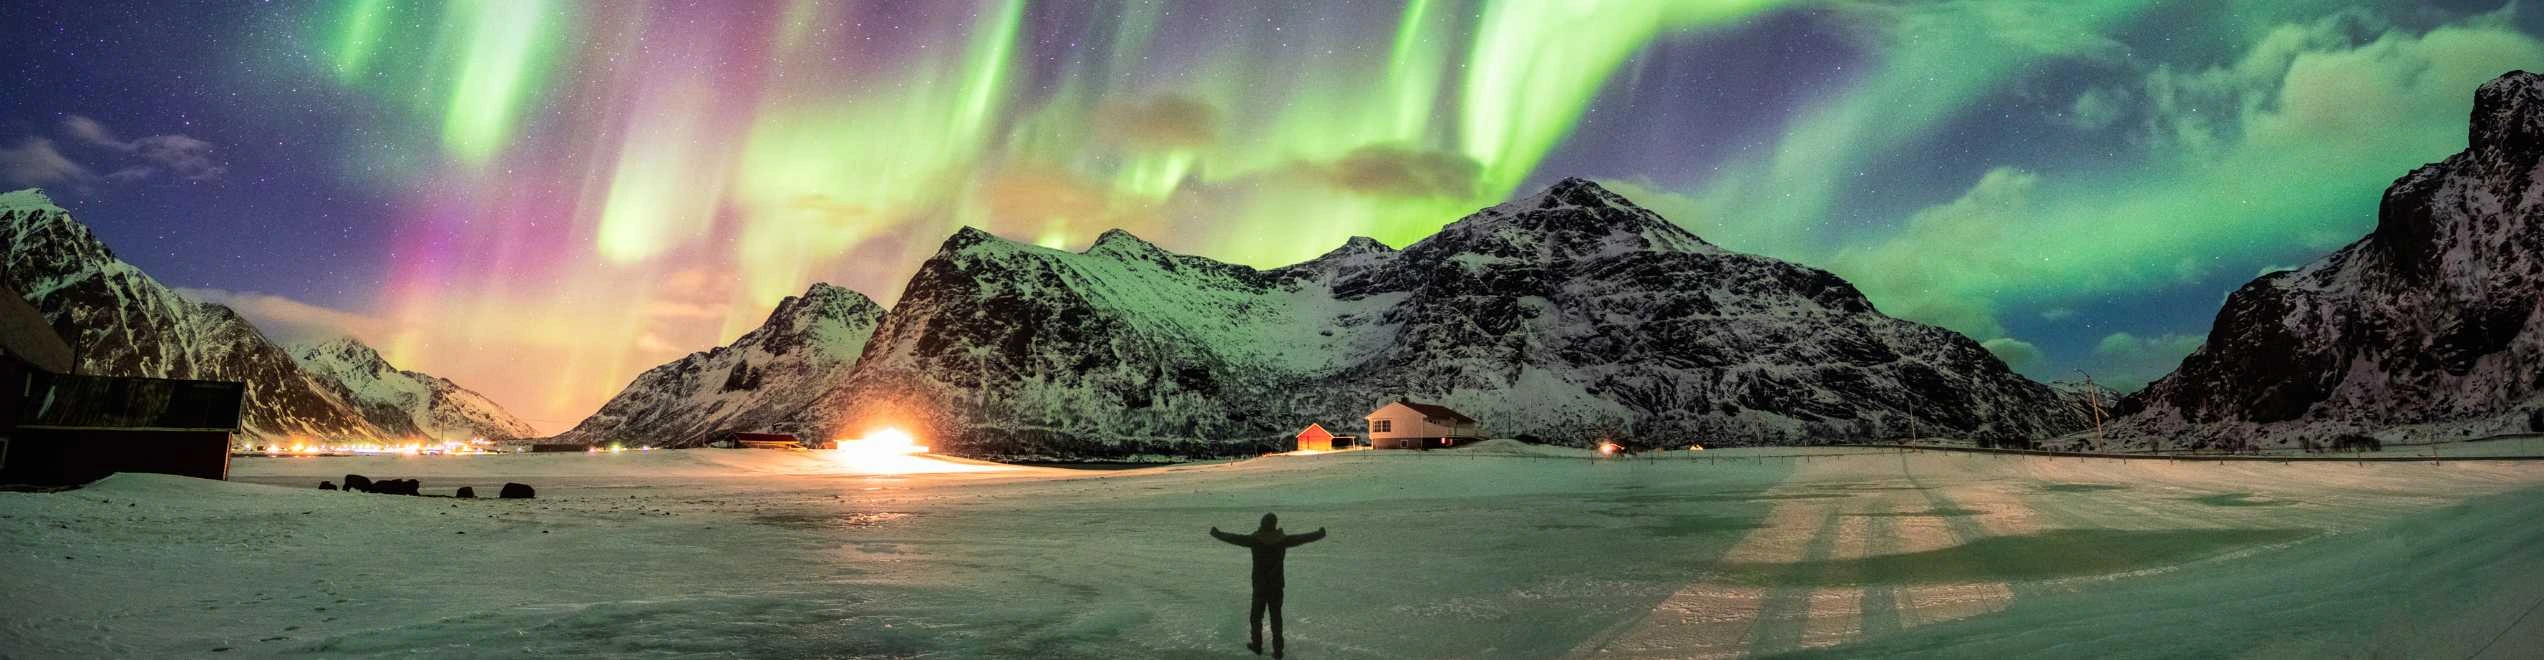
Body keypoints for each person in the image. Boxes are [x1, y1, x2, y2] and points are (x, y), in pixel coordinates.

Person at [1211, 513, 1326, 657]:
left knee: (1256, 618)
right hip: (1277, 586)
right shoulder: (1282, 540)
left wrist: (1217, 534)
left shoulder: (1255, 540)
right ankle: (1278, 651)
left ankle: (1257, 645)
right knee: (1276, 618)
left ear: (1263, 524)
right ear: (1274, 525)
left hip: (1260, 586)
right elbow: (1302, 538)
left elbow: (1234, 538)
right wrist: (1319, 534)